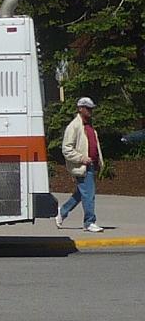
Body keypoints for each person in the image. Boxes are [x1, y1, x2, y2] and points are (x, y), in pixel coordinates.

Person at [58, 97, 104, 232]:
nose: (90, 111)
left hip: (91, 165)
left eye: (91, 109)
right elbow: (66, 149)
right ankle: (89, 222)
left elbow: (93, 145)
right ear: (80, 109)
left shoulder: (89, 125)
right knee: (89, 194)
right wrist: (81, 158)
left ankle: (62, 212)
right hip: (82, 166)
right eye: (87, 108)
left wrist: (99, 161)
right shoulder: (74, 126)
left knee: (81, 193)